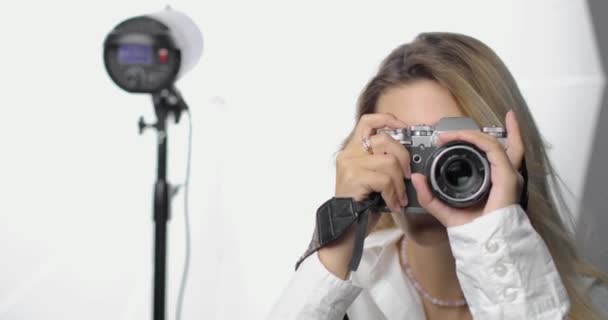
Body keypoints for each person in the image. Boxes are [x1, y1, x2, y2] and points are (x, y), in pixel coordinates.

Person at [267, 32, 608, 320]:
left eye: (454, 151)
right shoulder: (350, 291)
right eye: (409, 148)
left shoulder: (591, 302)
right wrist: (337, 240)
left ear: (510, 154)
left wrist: (498, 241)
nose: (429, 175)